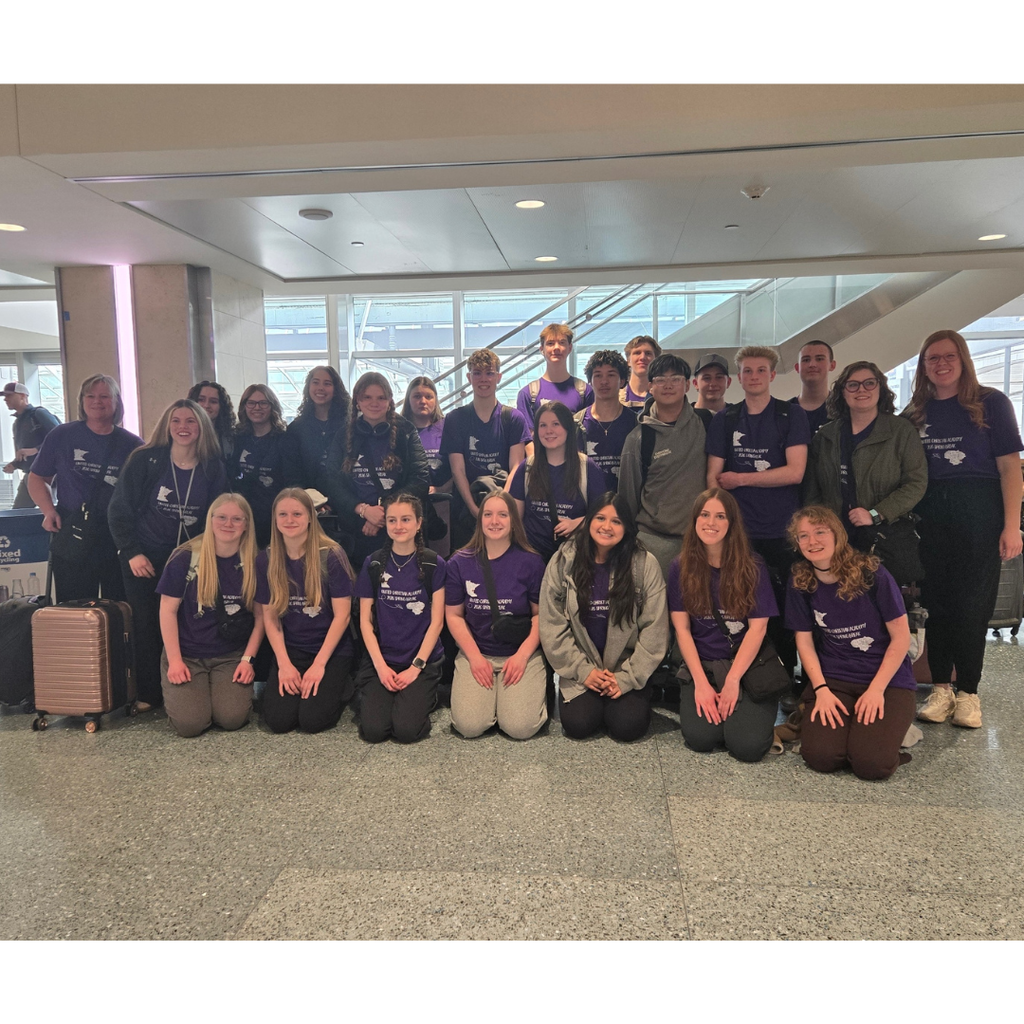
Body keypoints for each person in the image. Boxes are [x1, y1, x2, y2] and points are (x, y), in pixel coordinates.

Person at [905, 329, 1024, 729]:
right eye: (932, 358)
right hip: (932, 516)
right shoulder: (916, 411)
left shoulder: (992, 403)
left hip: (980, 511)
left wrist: (1012, 526)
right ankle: (941, 688)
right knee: (937, 604)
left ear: (963, 359)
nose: (941, 364)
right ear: (924, 366)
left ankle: (969, 692)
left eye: (948, 356)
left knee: (973, 606)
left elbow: (1010, 467)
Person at [108, 399, 227, 711]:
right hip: (144, 557)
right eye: (176, 421)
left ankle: (185, 685)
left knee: (189, 621)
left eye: (191, 421)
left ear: (202, 427)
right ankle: (149, 692)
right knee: (147, 624)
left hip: (191, 558)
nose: (183, 427)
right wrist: (132, 552)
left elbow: (218, 515)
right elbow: (118, 510)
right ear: (167, 425)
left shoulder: (212, 465)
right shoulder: (146, 459)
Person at [785, 506, 918, 780]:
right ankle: (858, 732)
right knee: (821, 757)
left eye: (820, 532)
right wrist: (820, 689)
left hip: (885, 679)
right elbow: (804, 640)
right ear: (796, 543)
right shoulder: (800, 580)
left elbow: (902, 637)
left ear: (838, 534)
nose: (813, 541)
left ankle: (893, 730)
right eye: (803, 536)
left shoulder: (872, 573)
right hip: (834, 679)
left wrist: (876, 690)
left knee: (872, 765)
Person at [705, 345, 811, 675]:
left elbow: (794, 472)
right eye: (747, 371)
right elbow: (714, 478)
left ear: (772, 375)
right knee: (740, 603)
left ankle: (785, 673)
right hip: (739, 531)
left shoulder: (791, 415)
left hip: (782, 529)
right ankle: (748, 673)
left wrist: (742, 479)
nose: (753, 376)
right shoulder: (725, 419)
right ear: (739, 378)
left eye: (760, 370)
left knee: (784, 604)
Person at [540, 493, 668, 742]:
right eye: (600, 518)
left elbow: (655, 628)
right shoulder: (563, 560)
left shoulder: (644, 564)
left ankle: (629, 690)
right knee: (579, 724)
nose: (607, 527)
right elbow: (551, 623)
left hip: (626, 666)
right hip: (582, 665)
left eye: (616, 521)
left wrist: (627, 678)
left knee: (627, 727)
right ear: (588, 521)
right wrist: (583, 670)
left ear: (627, 527)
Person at [669, 488, 780, 762]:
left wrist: (732, 681)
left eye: (721, 516)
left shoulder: (753, 567)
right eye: (705, 515)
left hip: (746, 665)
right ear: (695, 520)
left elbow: (758, 629)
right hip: (703, 664)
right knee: (701, 739)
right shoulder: (680, 567)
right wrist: (700, 684)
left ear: (732, 523)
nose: (711, 523)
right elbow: (682, 630)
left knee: (748, 747)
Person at [157, 493, 264, 737]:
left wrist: (248, 661)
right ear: (210, 519)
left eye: (237, 519)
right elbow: (167, 611)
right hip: (187, 654)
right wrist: (175, 660)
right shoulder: (184, 557)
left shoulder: (256, 562)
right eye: (222, 517)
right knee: (190, 725)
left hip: (230, 655)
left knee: (232, 719)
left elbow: (261, 619)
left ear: (247, 524)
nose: (229, 524)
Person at [29, 374, 143, 603]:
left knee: (121, 603)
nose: (96, 401)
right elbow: (37, 477)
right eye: (90, 396)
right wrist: (48, 511)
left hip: (116, 534)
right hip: (73, 529)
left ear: (117, 402)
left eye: (104, 396)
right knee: (73, 604)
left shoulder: (133, 445)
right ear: (81, 401)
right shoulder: (62, 435)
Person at [445, 490, 547, 740]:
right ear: (479, 520)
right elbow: (454, 616)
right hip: (477, 652)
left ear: (513, 520)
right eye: (488, 514)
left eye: (503, 515)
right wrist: (475, 658)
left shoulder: (531, 562)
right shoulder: (459, 562)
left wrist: (523, 656)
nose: (494, 521)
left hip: (520, 652)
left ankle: (520, 697)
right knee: (469, 726)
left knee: (520, 727)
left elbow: (540, 617)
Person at [256, 487, 356, 734]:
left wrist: (320, 664)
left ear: (311, 517)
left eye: (297, 514)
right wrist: (284, 665)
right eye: (283, 514)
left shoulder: (331, 554)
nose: (290, 520)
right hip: (292, 648)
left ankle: (344, 684)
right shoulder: (266, 559)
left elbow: (342, 617)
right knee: (279, 721)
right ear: (275, 519)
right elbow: (270, 616)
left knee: (313, 720)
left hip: (330, 650)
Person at [805, 361, 927, 559]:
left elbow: (915, 483)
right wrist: (821, 524)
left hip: (883, 537)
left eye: (869, 383)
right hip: (834, 538)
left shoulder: (901, 431)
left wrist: (876, 513)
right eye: (853, 385)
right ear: (843, 392)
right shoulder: (825, 436)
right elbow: (812, 490)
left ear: (881, 388)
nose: (861, 389)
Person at [354, 493, 446, 744]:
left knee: (406, 731)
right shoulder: (372, 563)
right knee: (374, 731)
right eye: (392, 520)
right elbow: (365, 622)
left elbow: (437, 622)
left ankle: (428, 694)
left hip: (421, 659)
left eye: (406, 519)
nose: (399, 526)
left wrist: (416, 667)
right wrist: (381, 667)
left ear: (418, 523)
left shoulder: (433, 563)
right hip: (382, 658)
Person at [325, 371, 429, 570]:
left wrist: (382, 514)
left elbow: (420, 478)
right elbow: (332, 481)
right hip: (355, 529)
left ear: (390, 400)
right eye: (367, 397)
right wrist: (363, 510)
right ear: (357, 400)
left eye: (381, 398)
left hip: (399, 527)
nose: (375, 403)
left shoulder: (405, 431)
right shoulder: (343, 433)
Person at [617, 353, 708, 577]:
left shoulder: (707, 423)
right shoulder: (638, 438)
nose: (668, 385)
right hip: (653, 542)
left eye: (675, 379)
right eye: (660, 379)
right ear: (650, 386)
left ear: (687, 385)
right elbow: (628, 497)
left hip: (701, 538)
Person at [439, 349, 530, 549]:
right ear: (469, 377)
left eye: (489, 373)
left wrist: (500, 506)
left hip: (504, 506)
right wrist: (473, 508)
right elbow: (457, 470)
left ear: (498, 377)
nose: (483, 379)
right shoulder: (455, 419)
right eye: (477, 373)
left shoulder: (513, 418)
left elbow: (516, 466)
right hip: (466, 508)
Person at [506, 401, 606, 561]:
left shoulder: (587, 468)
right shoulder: (527, 467)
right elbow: (514, 518)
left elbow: (604, 515)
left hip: (573, 558)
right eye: (543, 425)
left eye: (556, 424)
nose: (549, 431)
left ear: (568, 428)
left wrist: (578, 524)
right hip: (531, 559)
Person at [228, 384, 288, 549]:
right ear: (244, 406)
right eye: (251, 403)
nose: (257, 407)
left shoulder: (285, 439)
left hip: (273, 517)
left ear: (272, 407)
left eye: (263, 403)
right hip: (243, 516)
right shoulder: (238, 438)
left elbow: (293, 480)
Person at [516, 323, 593, 439]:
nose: (556, 348)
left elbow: (589, 432)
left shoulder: (586, 392)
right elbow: (528, 439)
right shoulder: (527, 394)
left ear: (570, 348)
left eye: (562, 343)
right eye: (550, 343)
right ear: (542, 349)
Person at [281, 365, 350, 493]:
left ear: (336, 389)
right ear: (308, 387)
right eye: (315, 382)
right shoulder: (296, 429)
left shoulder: (348, 426)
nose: (320, 388)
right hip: (307, 501)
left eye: (327, 383)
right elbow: (292, 472)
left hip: (345, 500)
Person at [575, 350, 637, 489]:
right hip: (587, 506)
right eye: (598, 375)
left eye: (611, 375)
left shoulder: (636, 424)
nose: (604, 381)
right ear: (590, 381)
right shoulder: (576, 424)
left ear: (622, 380)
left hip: (626, 505)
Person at [3, 381, 60, 508]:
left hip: (47, 474)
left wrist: (35, 449)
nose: (5, 399)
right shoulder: (17, 424)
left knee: (20, 514)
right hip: (33, 473)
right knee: (19, 513)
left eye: (10, 395)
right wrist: (15, 464)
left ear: (23, 396)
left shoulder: (38, 414)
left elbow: (60, 437)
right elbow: (25, 452)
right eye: (5, 396)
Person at [401, 375, 451, 493]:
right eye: (417, 396)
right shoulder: (399, 431)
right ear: (408, 399)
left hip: (443, 501)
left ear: (435, 400)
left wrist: (442, 489)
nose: (423, 401)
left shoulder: (448, 428)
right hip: (408, 500)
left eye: (429, 397)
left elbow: (459, 469)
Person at [790, 340, 836, 436]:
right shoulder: (783, 412)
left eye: (819, 359)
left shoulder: (843, 409)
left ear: (832, 365)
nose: (812, 365)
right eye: (806, 360)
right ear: (797, 368)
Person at [187, 380, 237, 462]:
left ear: (221, 407)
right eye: (201, 400)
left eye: (213, 401)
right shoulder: (181, 434)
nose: (206, 405)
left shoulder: (230, 439)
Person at [692, 353, 732, 428]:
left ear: (728, 382)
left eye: (719, 377)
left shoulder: (737, 416)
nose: (713, 383)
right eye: (707, 378)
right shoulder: (684, 416)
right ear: (695, 383)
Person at [621, 335, 662, 409]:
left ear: (656, 361)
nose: (642, 357)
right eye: (637, 353)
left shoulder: (663, 396)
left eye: (648, 353)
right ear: (628, 360)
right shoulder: (614, 396)